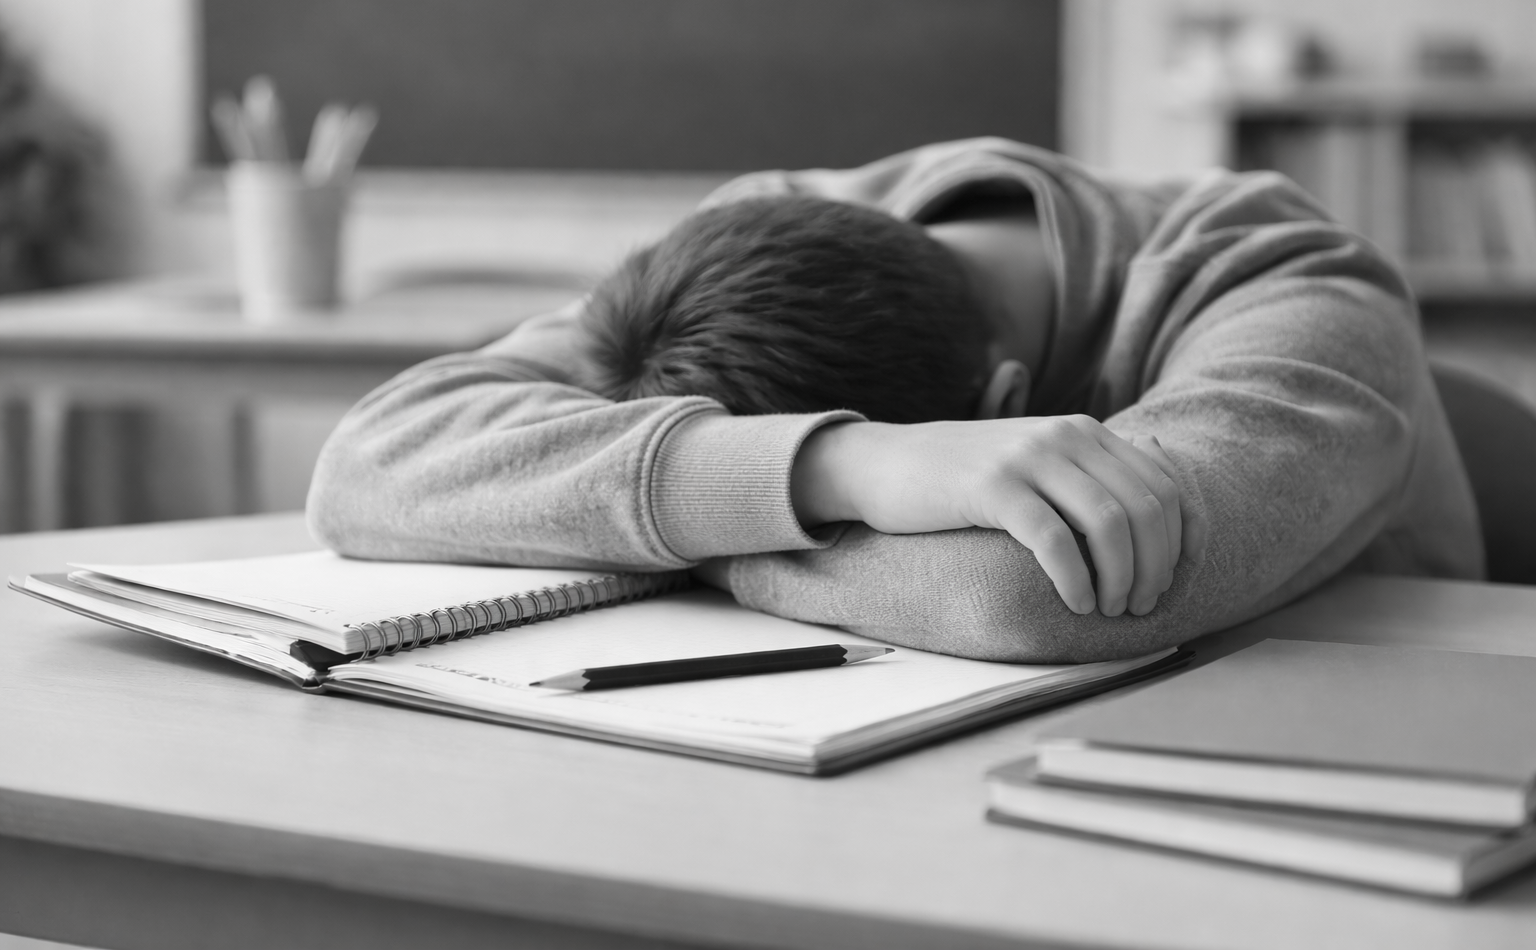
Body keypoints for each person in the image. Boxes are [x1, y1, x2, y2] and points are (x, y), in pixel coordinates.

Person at [306, 137, 1482, 663]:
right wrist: (838, 472)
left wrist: (668, 526)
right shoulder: (766, 232)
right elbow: (366, 463)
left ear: (1003, 402)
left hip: (1312, 766)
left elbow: (1028, 598)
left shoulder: (1294, 288)